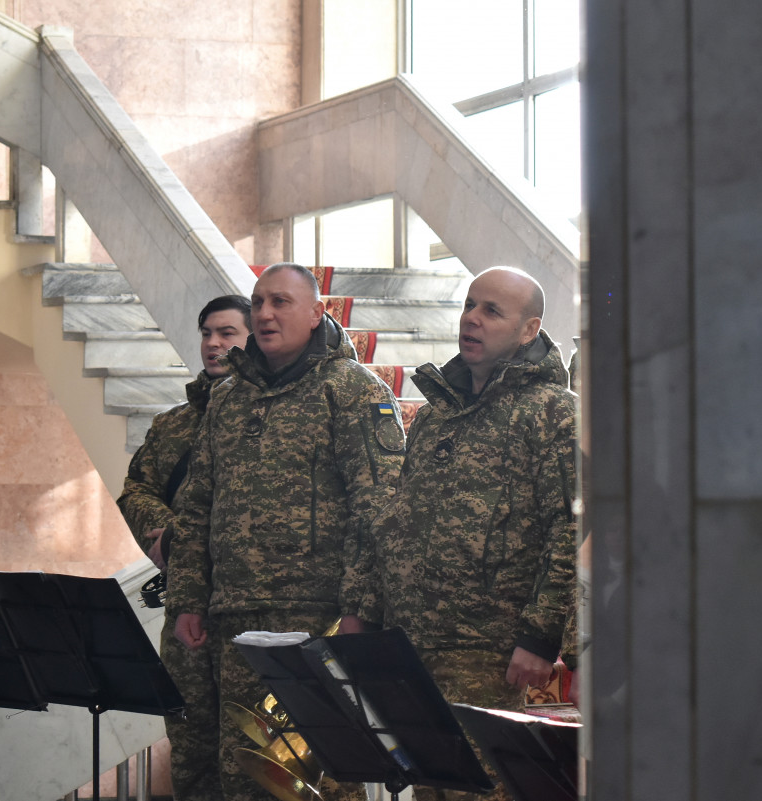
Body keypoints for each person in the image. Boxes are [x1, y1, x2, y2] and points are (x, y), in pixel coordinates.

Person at [167, 262, 406, 801]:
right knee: (245, 777)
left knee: (326, 781)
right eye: (258, 303)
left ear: (318, 312)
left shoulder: (351, 389)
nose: (266, 314)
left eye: (281, 302)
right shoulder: (228, 398)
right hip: (236, 623)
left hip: (317, 622)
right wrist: (187, 599)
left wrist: (360, 610)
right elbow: (197, 506)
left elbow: (380, 508)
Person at [366, 266, 578, 801]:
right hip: (414, 644)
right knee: (430, 789)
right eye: (469, 305)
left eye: (491, 311)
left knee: (482, 791)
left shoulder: (552, 412)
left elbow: (570, 530)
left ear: (529, 330)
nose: (472, 319)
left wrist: (540, 636)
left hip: (490, 651)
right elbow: (398, 522)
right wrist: (372, 616)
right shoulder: (435, 416)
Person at [116, 294, 252, 801]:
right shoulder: (174, 424)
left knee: (251, 757)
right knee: (191, 745)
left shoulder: (267, 418)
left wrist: (190, 537)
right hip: (187, 608)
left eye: (227, 333)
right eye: (207, 334)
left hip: (251, 605)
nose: (214, 344)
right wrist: (168, 533)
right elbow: (136, 489)